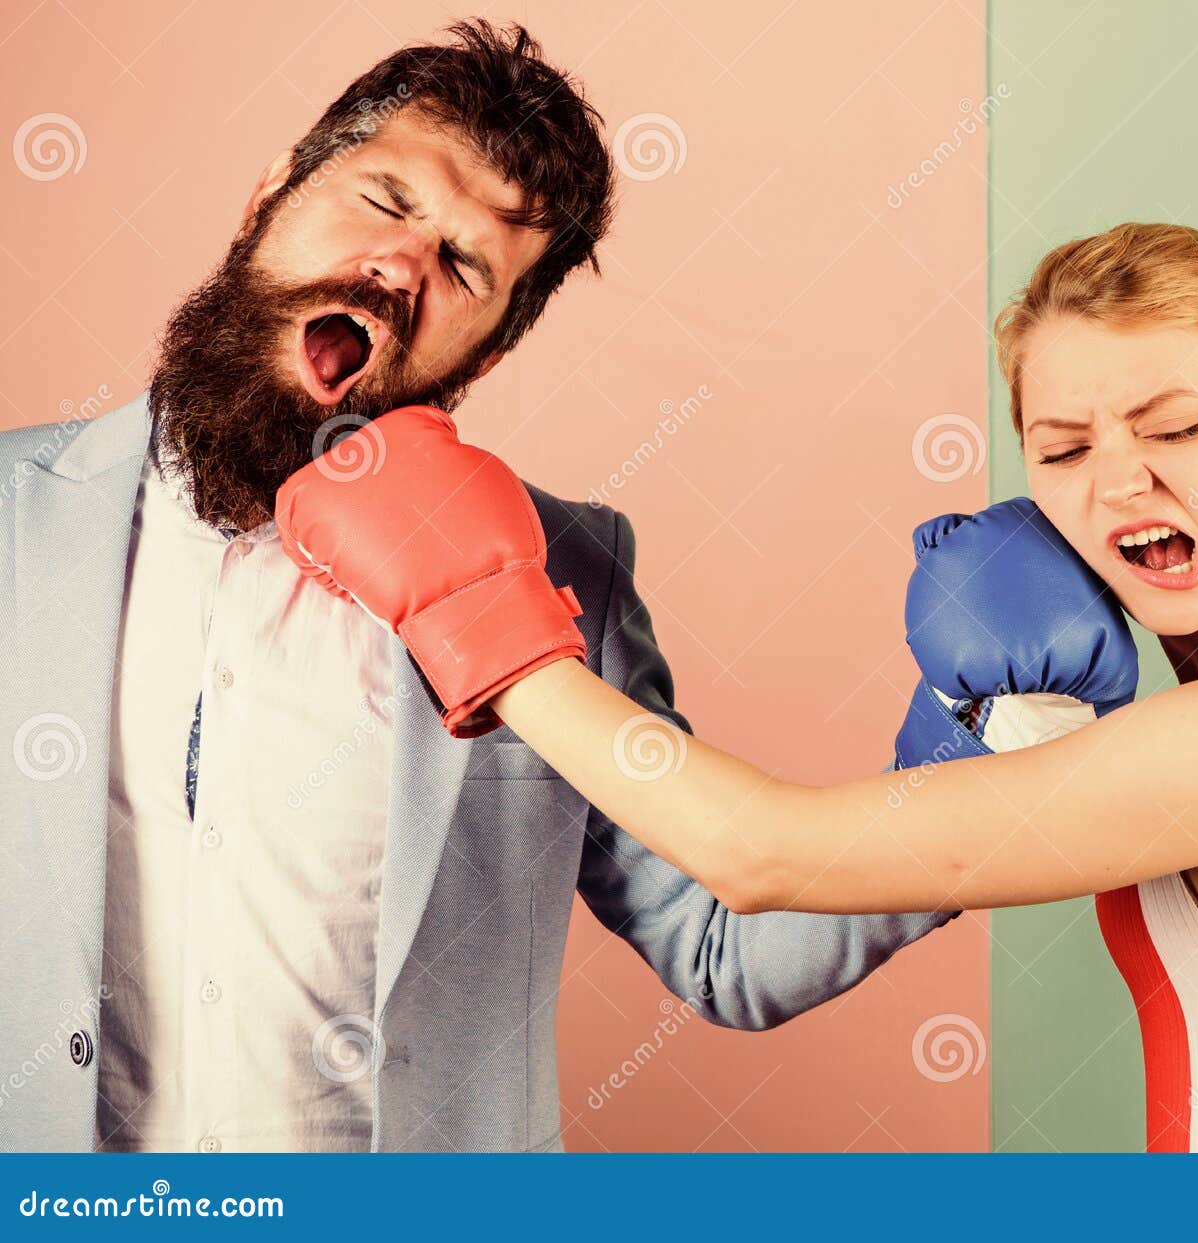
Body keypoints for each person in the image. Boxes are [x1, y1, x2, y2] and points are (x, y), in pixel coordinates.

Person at [278, 222, 1198, 1152]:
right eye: (1066, 445)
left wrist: (486, 626)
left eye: (1178, 427)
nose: (1122, 482)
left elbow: (756, 853)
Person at [0, 20, 957, 1155]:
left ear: (485, 353)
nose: (399, 267)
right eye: (384, 200)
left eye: (463, 267)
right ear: (269, 195)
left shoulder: (569, 576)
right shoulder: (17, 514)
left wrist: (976, 755)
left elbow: (722, 949)